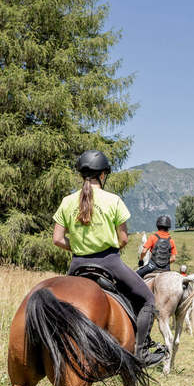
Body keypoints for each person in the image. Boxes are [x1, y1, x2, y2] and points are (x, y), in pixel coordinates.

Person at [53, 150, 166, 366]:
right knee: (147, 300)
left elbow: (57, 239)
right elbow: (123, 239)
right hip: (109, 262)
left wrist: (77, 246)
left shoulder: (67, 201)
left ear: (82, 174)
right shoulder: (113, 200)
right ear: (103, 174)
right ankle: (141, 352)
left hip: (77, 264)